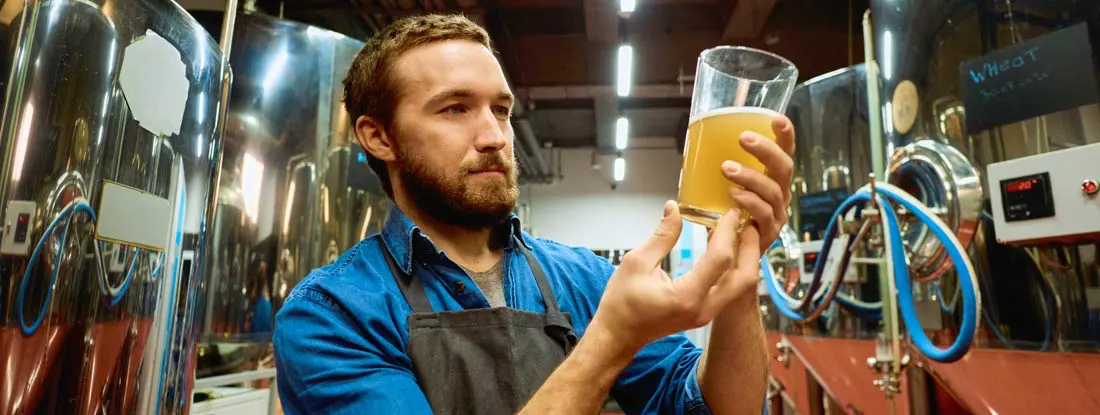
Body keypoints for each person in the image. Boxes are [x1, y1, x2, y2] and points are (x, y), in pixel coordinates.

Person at [273, 14, 796, 415]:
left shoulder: (582, 277)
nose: (496, 137)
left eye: (500, 109)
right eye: (455, 108)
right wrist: (609, 341)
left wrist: (738, 271)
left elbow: (711, 408)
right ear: (378, 136)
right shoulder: (332, 313)